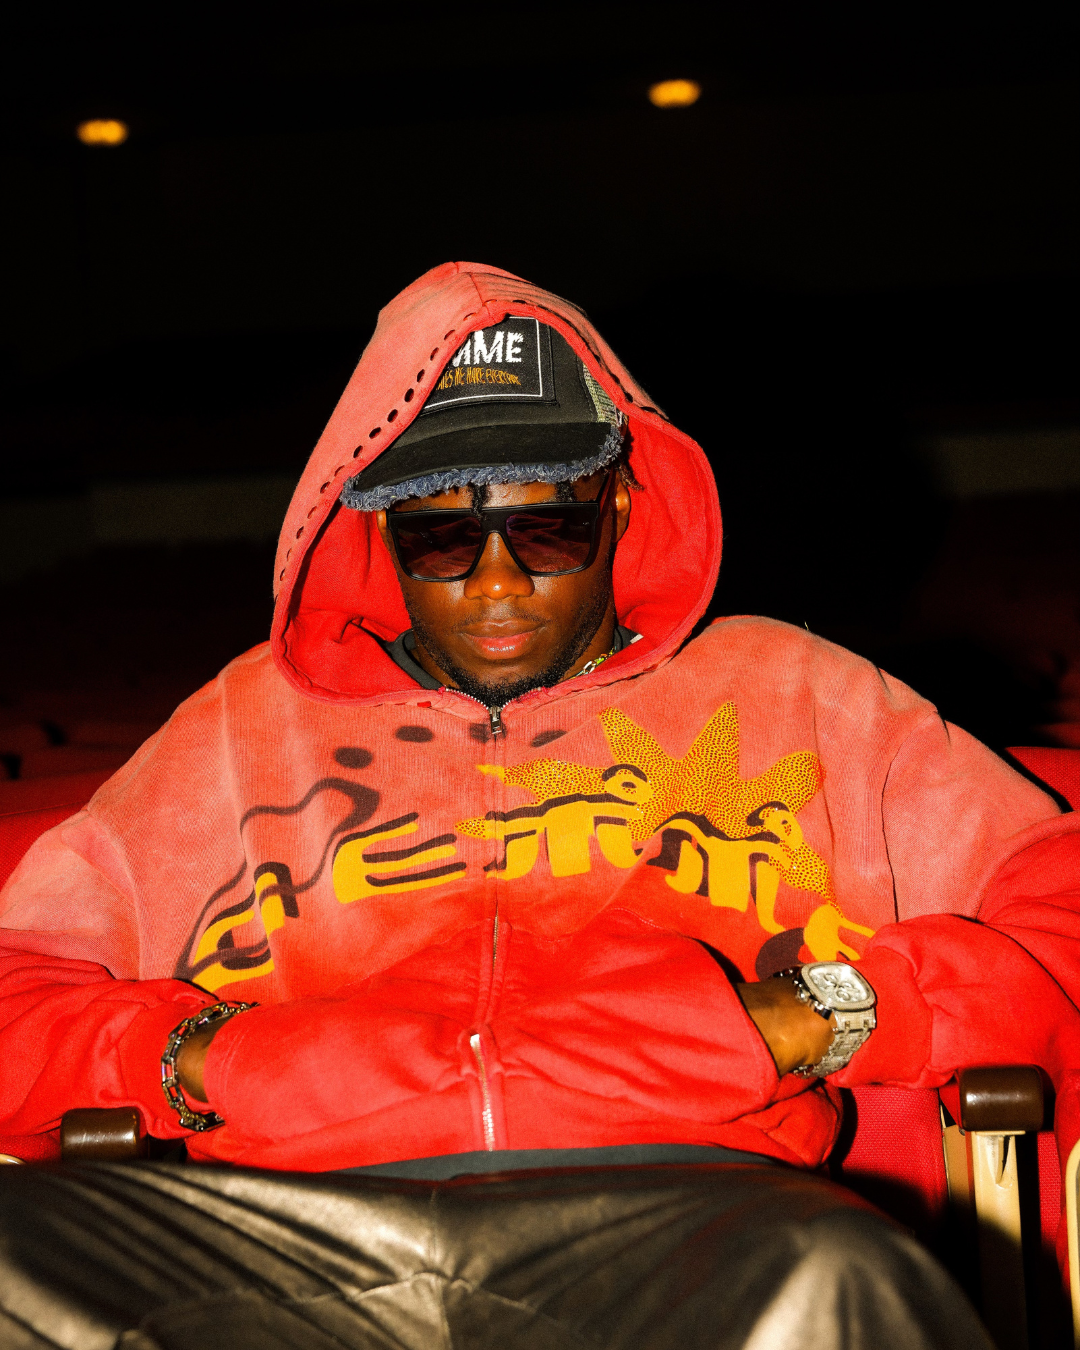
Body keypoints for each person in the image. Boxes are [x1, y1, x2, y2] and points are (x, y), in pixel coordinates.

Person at [1, 261, 1077, 1349]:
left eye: (547, 528)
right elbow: (17, 987)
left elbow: (1060, 901)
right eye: (441, 537)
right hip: (289, 1222)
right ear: (377, 532)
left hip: (690, 1209)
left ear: (617, 507)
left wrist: (817, 1013)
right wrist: (197, 1056)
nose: (498, 581)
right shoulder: (237, 728)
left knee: (849, 1284)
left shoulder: (799, 690)